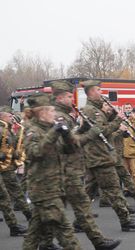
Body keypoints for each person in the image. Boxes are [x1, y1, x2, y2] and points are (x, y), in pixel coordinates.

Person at [48, 81, 121, 250]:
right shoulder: (59, 116)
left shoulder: (65, 114)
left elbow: (71, 138)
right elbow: (68, 145)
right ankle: (98, 241)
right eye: (67, 96)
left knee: (53, 211)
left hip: (69, 168)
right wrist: (90, 133)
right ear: (59, 97)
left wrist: (81, 130)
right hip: (66, 169)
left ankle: (45, 243)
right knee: (76, 207)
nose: (70, 99)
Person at [80, 80, 135, 232]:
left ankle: (80, 220)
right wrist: (117, 120)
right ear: (90, 92)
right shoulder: (90, 110)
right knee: (114, 188)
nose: (100, 92)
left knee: (89, 188)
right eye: (97, 90)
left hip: (99, 155)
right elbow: (100, 132)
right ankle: (125, 219)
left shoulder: (96, 109)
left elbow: (101, 128)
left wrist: (112, 115)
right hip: (99, 155)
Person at [22, 93, 81, 250]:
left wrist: (67, 134)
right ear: (42, 113)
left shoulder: (51, 129)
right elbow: (35, 153)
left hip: (55, 188)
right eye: (52, 111)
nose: (55, 114)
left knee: (34, 234)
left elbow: (72, 149)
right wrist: (54, 132)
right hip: (44, 191)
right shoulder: (32, 131)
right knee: (66, 233)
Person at [0, 106, 32, 221]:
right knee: (15, 192)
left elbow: (11, 144)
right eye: (9, 116)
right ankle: (27, 214)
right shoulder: (1, 129)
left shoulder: (7, 129)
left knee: (11, 193)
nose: (11, 117)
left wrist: (15, 153)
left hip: (7, 165)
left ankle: (25, 215)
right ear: (2, 117)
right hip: (4, 166)